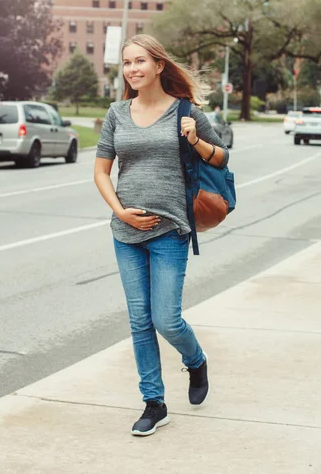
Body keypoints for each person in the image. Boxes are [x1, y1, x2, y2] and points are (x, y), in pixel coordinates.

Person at [94, 34, 229, 437]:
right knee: (139, 321)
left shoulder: (184, 112)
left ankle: (196, 360)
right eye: (127, 62)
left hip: (171, 229)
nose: (132, 69)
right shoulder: (117, 113)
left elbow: (221, 158)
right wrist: (120, 212)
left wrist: (195, 140)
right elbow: (102, 170)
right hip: (126, 231)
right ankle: (154, 402)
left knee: (166, 320)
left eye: (140, 61)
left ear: (158, 65)